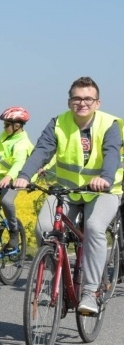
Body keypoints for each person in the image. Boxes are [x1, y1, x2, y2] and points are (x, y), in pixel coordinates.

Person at [13, 76, 122, 314]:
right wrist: (25, 175)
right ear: (69, 101)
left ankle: (90, 292)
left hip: (102, 191)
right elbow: (42, 150)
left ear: (97, 103)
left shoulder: (109, 124)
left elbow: (112, 153)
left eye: (88, 99)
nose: (82, 103)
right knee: (44, 229)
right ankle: (59, 280)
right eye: (77, 98)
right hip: (68, 190)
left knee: (94, 227)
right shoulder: (58, 123)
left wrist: (105, 178)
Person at [0, 106, 34, 252]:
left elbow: (19, 163)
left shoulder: (22, 143)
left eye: (7, 124)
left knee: (6, 201)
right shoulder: (5, 135)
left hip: (15, 179)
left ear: (17, 126)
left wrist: (9, 177)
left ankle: (14, 232)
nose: (4, 127)